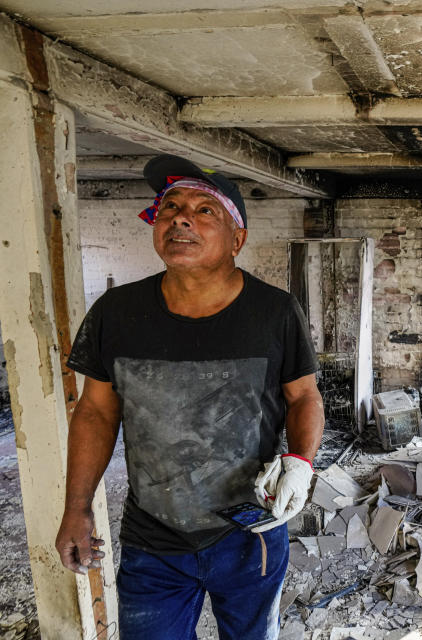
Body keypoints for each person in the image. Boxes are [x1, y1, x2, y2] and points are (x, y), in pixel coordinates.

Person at [54, 154, 325, 639]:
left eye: (205, 210)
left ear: (237, 240)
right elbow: (95, 412)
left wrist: (300, 462)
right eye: (170, 207)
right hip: (153, 537)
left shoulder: (275, 312)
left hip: (249, 533)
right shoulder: (117, 313)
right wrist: (76, 508)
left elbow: (304, 396)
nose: (180, 216)